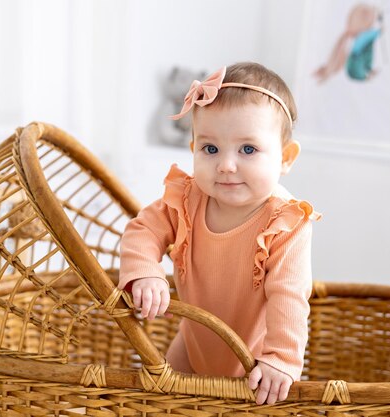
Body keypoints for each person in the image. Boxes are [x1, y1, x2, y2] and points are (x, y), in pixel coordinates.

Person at [118, 62, 321, 405]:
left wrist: (282, 360)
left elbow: (289, 296)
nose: (226, 165)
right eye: (210, 149)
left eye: (248, 149)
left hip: (256, 363)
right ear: (194, 147)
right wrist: (146, 273)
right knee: (160, 403)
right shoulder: (186, 198)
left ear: (285, 158)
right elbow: (143, 230)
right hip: (191, 346)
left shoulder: (286, 221)